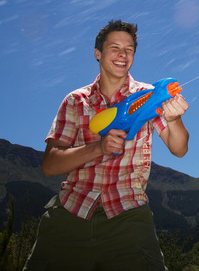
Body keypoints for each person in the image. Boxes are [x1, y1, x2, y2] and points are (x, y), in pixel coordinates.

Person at [24, 19, 189, 270]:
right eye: (115, 48)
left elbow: (179, 149)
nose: (123, 54)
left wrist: (174, 119)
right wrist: (98, 148)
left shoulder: (148, 96)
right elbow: (50, 164)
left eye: (129, 49)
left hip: (129, 215)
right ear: (97, 53)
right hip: (71, 212)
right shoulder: (75, 101)